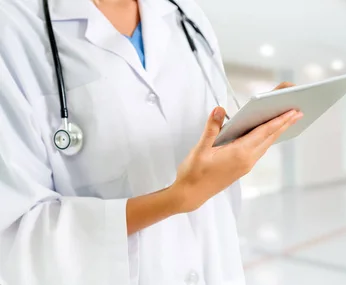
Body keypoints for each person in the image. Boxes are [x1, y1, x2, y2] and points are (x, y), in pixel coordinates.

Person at [0, 0, 303, 284]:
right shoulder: (13, 26)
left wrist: (242, 136)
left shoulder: (185, 15)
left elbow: (204, 141)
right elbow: (14, 232)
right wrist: (175, 199)